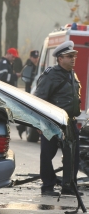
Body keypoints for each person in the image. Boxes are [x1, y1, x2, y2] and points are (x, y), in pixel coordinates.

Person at [34, 41, 82, 197]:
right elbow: (39, 100)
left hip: (70, 122)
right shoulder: (51, 75)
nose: (73, 59)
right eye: (69, 57)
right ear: (60, 58)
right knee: (47, 154)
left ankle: (69, 186)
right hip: (52, 121)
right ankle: (47, 186)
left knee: (73, 155)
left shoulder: (72, 74)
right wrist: (40, 123)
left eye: (74, 56)